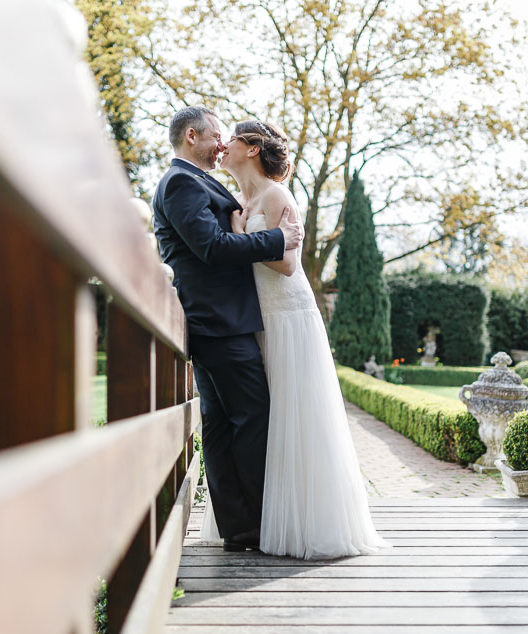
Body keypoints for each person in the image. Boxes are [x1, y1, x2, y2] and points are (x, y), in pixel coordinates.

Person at [201, 119, 388, 559]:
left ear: (251, 148)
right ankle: (262, 521)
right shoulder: (239, 201)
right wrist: (237, 230)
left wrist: (243, 234)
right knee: (266, 422)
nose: (223, 147)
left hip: (287, 315)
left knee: (296, 418)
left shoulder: (275, 195)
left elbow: (287, 264)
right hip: (257, 319)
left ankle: (305, 524)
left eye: (232, 140)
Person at [152, 106, 303, 552]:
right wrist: (276, 239)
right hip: (218, 322)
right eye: (217, 136)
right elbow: (212, 248)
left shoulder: (199, 182)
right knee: (252, 417)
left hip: (220, 320)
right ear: (192, 136)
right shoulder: (180, 182)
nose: (223, 144)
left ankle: (240, 527)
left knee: (221, 423)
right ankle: (258, 524)